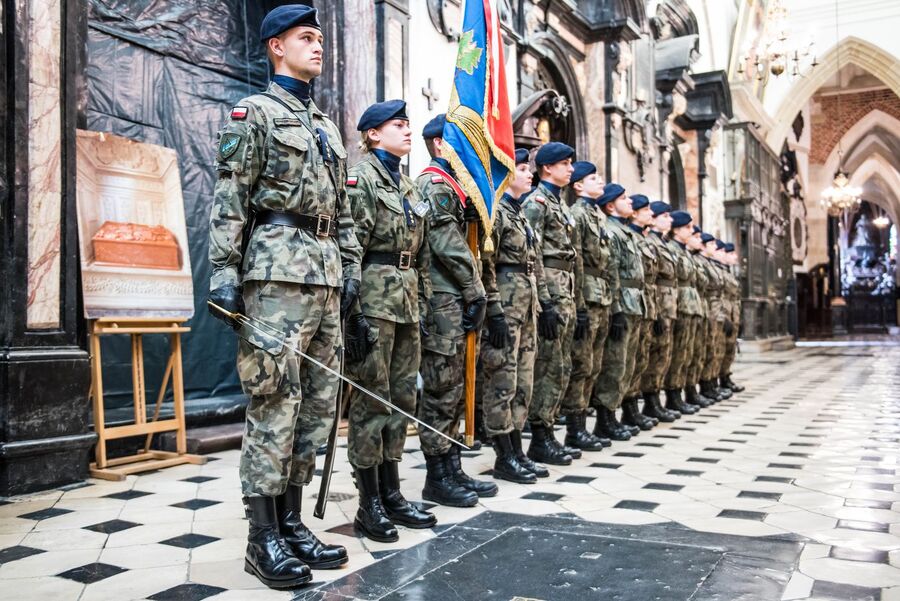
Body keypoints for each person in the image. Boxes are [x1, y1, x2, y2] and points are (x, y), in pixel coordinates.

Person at [207, 5, 360, 588]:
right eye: (306, 38)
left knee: (317, 408)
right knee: (274, 401)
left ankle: (292, 522)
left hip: (322, 278)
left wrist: (348, 271)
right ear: (276, 46)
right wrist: (223, 271)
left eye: (321, 38)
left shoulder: (324, 123)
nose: (318, 46)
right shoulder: (257, 114)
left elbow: (341, 212)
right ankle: (261, 535)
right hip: (275, 274)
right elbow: (230, 196)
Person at [344, 100, 436, 542]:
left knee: (402, 399)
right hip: (374, 301)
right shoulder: (361, 178)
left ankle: (393, 492)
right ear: (373, 134)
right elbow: (352, 246)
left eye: (407, 125)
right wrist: (353, 312)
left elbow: (420, 253)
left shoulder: (408, 186)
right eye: (397, 125)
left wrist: (427, 303)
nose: (406, 131)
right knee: (371, 399)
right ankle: (369, 502)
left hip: (407, 301)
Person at [416, 114, 496, 507]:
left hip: (456, 297)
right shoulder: (435, 186)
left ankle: (451, 466)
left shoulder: (456, 188)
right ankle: (436, 474)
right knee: (441, 388)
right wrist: (475, 289)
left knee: (455, 386)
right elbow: (448, 245)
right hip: (442, 298)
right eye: (460, 142)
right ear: (439, 145)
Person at [479, 148, 550, 483]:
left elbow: (533, 264)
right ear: (507, 173)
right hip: (506, 305)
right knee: (502, 380)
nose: (529, 174)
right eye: (522, 168)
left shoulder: (519, 214)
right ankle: (503, 454)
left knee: (523, 380)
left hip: (526, 305)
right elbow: (486, 264)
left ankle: (517, 449)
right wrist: (493, 308)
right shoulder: (495, 211)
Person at [521, 142, 580, 465]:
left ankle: (550, 430)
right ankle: (540, 436)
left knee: (561, 364)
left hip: (565, 289)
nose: (570, 169)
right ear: (547, 168)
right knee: (547, 366)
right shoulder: (537, 204)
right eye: (565, 164)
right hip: (551, 291)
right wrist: (544, 301)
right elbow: (535, 255)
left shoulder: (560, 205)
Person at [559, 161, 612, 452]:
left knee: (593, 364)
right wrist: (578, 303)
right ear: (578, 186)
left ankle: (585, 425)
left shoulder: (596, 215)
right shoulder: (577, 215)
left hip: (600, 294)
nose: (600, 180)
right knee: (580, 364)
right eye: (594, 177)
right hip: (586, 294)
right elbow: (576, 261)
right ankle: (574, 429)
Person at [592, 184, 646, 441]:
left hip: (632, 301)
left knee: (626, 363)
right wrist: (615, 309)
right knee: (614, 364)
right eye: (624, 199)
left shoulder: (624, 232)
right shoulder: (611, 232)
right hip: (620, 301)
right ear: (610, 205)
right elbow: (611, 272)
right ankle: (605, 418)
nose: (630, 203)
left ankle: (615, 413)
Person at [620, 195, 660, 432]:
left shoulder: (638, 238)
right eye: (647, 210)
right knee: (621, 361)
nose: (653, 216)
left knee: (639, 358)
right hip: (624, 301)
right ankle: (618, 412)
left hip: (641, 302)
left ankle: (635, 406)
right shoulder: (623, 233)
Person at [639, 202, 680, 423]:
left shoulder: (661, 243)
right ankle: (647, 403)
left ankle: (656, 401)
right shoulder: (650, 242)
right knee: (651, 355)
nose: (670, 220)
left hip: (661, 303)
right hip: (652, 301)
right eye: (665, 216)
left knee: (663, 354)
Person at [662, 211, 701, 417]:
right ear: (676, 230)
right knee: (676, 353)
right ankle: (672, 396)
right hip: (677, 304)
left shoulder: (683, 252)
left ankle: (680, 393)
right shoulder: (671, 250)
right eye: (687, 227)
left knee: (685, 352)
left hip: (688, 304)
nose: (692, 231)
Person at [684, 227, 714, 409]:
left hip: (695, 306)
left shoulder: (690, 257)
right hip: (677, 306)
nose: (700, 242)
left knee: (694, 353)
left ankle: (695, 390)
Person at [719, 243, 745, 392]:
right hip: (720, 313)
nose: (735, 257)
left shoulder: (727, 272)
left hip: (731, 313)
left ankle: (725, 378)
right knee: (716, 350)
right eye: (731, 253)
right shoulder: (719, 271)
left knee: (728, 349)